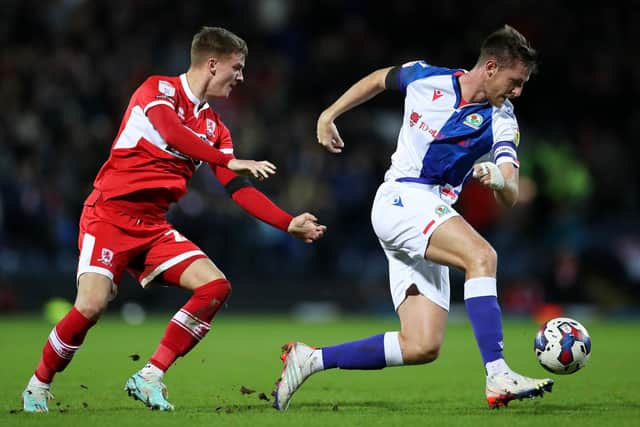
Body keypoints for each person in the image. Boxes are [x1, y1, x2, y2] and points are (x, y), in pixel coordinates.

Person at [21, 26, 326, 413]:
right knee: (91, 306)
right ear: (212, 63)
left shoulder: (216, 127)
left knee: (215, 286)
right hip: (109, 217)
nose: (241, 77)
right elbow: (171, 131)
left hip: (152, 227)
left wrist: (287, 223)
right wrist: (226, 159)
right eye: (237, 67)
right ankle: (37, 385)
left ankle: (150, 376)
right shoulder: (157, 90)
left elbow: (237, 187)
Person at [273, 25, 552, 410]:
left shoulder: (502, 119)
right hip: (402, 197)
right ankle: (498, 372)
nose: (518, 92)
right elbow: (377, 79)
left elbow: (511, 193)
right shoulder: (426, 77)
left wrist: (499, 178)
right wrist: (329, 114)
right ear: (490, 67)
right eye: (515, 81)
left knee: (421, 345)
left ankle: (310, 359)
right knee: (482, 257)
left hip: (430, 212)